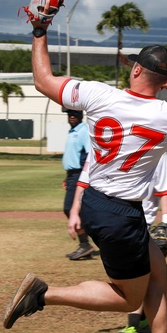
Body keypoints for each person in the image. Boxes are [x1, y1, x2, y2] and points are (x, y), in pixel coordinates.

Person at [3, 24, 167, 333]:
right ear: (163, 79)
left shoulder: (99, 94)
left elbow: (43, 80)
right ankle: (42, 293)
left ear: (136, 70)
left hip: (100, 203)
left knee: (158, 272)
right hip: (122, 214)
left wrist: (39, 31)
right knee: (129, 299)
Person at [116, 151, 167, 333]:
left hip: (145, 224)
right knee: (142, 278)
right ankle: (142, 319)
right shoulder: (124, 147)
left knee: (141, 276)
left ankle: (132, 326)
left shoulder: (159, 152)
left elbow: (164, 189)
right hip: (121, 222)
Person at [61, 109, 94, 261]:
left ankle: (85, 244)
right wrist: (67, 177)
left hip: (80, 174)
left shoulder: (84, 130)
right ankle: (85, 245)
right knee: (77, 209)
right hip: (73, 175)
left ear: (81, 116)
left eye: (75, 114)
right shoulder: (73, 131)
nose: (72, 116)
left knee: (70, 208)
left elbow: (89, 154)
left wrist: (83, 176)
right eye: (69, 114)